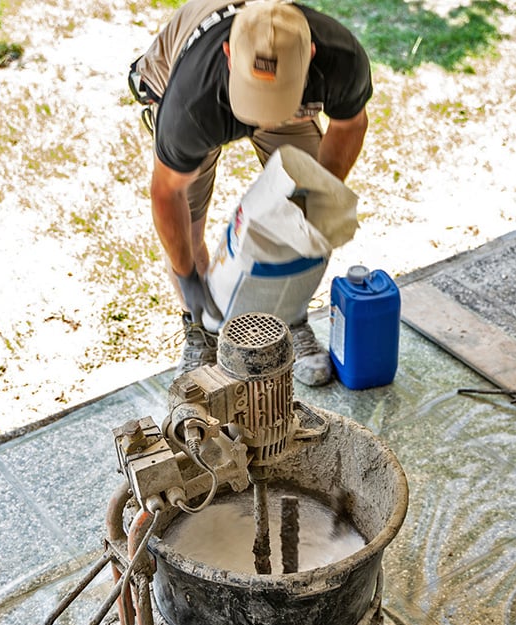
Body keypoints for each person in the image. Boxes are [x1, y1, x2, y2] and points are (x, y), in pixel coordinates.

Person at [129, 0, 372, 385]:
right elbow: (166, 193)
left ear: (310, 56)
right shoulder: (191, 103)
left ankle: (289, 316)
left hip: (291, 97)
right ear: (229, 53)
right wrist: (189, 277)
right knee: (188, 235)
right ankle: (201, 330)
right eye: (257, 105)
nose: (263, 118)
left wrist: (314, 198)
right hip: (194, 82)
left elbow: (350, 125)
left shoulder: (339, 57)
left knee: (305, 213)